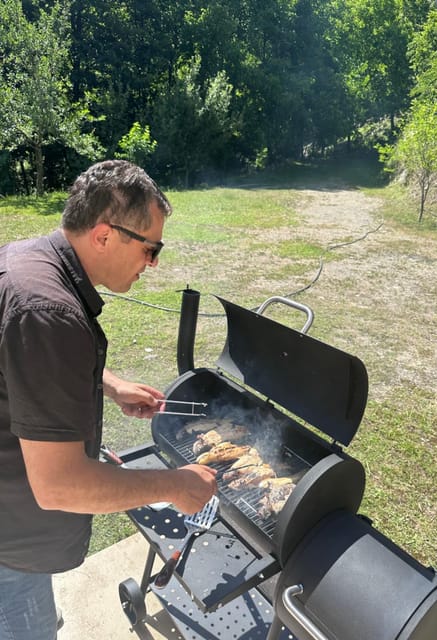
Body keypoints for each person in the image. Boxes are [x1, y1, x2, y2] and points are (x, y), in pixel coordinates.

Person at [0, 160, 217, 640]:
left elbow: (23, 364)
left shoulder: (25, 262)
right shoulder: (50, 312)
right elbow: (59, 486)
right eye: (151, 249)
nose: (153, 264)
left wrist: (109, 383)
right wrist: (172, 485)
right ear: (103, 236)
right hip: (9, 544)